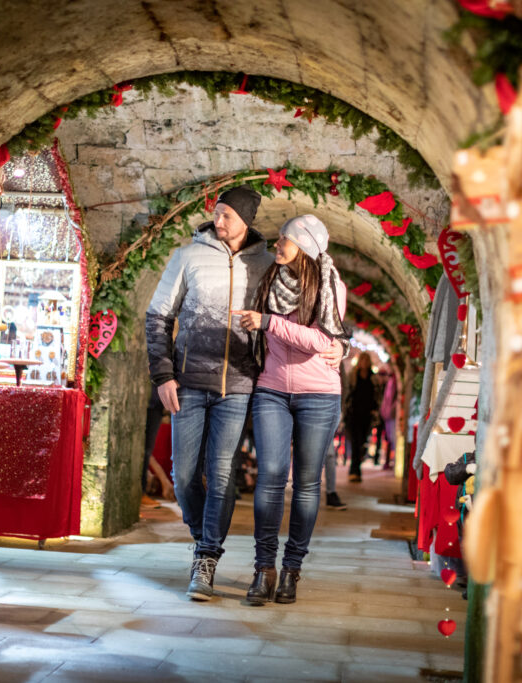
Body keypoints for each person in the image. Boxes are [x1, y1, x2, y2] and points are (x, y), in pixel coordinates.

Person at [145, 187, 343, 601]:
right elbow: (157, 316)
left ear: (247, 221)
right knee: (183, 479)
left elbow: (325, 313)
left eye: (228, 216)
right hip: (190, 380)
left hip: (240, 385)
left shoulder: (267, 264)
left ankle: (207, 558)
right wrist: (163, 375)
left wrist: (342, 344)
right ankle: (203, 537)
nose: (219, 223)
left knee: (221, 475)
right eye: (216, 214)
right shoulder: (188, 257)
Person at [233, 214, 347, 606]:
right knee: (271, 476)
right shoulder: (270, 278)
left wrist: (268, 323)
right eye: (280, 237)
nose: (278, 244)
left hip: (319, 395)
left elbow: (319, 340)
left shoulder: (330, 286)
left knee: (307, 484)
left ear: (307, 246)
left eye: (286, 239)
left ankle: (292, 569)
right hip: (272, 390)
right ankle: (264, 568)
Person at [344, 352, 378, 482]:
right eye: (362, 360)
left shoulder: (372, 377)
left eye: (366, 360)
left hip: (367, 415)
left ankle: (356, 469)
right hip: (353, 414)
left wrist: (375, 411)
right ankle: (354, 471)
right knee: (355, 442)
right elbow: (348, 392)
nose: (364, 362)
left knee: (362, 442)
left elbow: (376, 395)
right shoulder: (353, 375)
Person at [378, 365, 398, 470]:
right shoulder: (391, 380)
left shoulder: (394, 380)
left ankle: (393, 461)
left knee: (393, 438)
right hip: (388, 413)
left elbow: (392, 398)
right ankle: (390, 461)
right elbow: (387, 398)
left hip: (391, 413)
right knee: (390, 437)